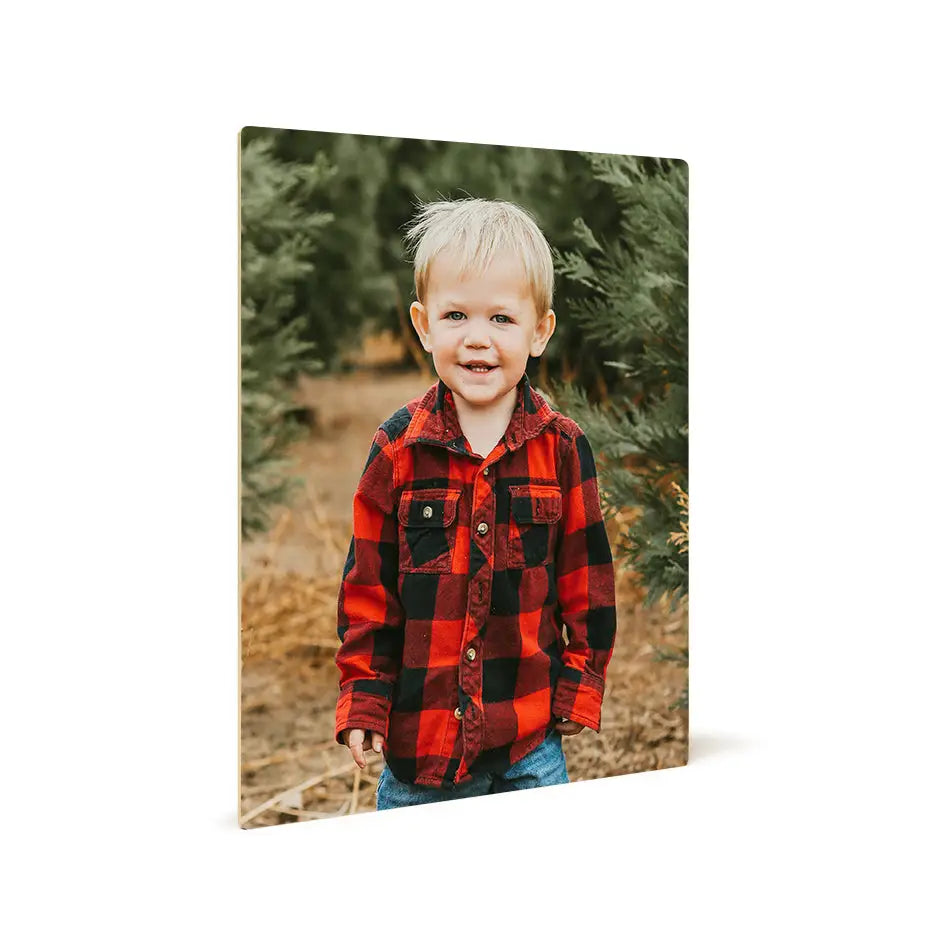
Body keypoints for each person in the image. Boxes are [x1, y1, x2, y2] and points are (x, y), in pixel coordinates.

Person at [334, 198, 617, 810]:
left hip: (528, 746)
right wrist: (364, 695)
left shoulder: (562, 449)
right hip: (421, 757)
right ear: (423, 323)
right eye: (456, 314)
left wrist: (578, 687)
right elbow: (367, 591)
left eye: (502, 319)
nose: (478, 339)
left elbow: (586, 584)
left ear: (540, 330)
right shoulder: (397, 450)